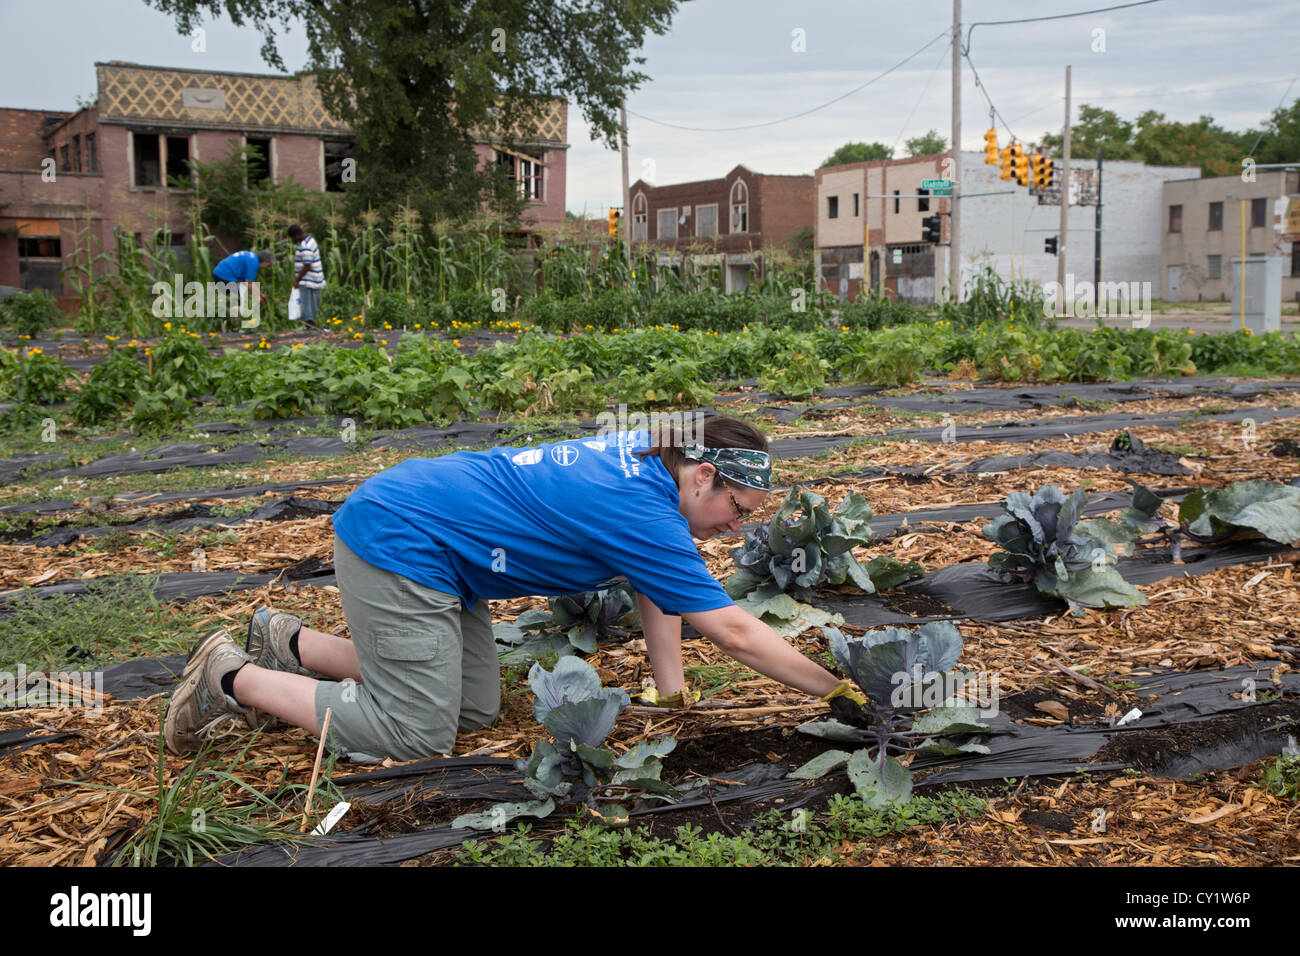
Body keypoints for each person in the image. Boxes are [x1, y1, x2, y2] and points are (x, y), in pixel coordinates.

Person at [162, 417, 865, 761]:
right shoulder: (642, 509)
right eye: (738, 509)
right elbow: (734, 630)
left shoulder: (655, 467)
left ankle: (287, 641)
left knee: (473, 708)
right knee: (417, 733)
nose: (735, 528)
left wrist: (670, 694)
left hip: (439, 547)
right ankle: (231, 679)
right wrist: (833, 688)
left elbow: (660, 589)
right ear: (705, 477)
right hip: (401, 540)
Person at [212, 249, 273, 318]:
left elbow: (247, 282)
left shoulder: (251, 256)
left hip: (219, 274)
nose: (267, 267)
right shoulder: (254, 263)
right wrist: (257, 296)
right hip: (225, 277)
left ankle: (223, 320)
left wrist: (260, 294)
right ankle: (233, 325)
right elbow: (249, 283)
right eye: (268, 265)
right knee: (238, 303)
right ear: (265, 262)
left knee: (230, 300)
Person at [287, 224, 325, 329]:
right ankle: (311, 327)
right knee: (313, 306)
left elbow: (307, 265)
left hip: (308, 280)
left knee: (307, 306)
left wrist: (296, 279)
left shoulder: (305, 245)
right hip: (316, 278)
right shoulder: (311, 240)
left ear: (296, 235)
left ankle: (310, 328)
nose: (292, 240)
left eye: (292, 238)